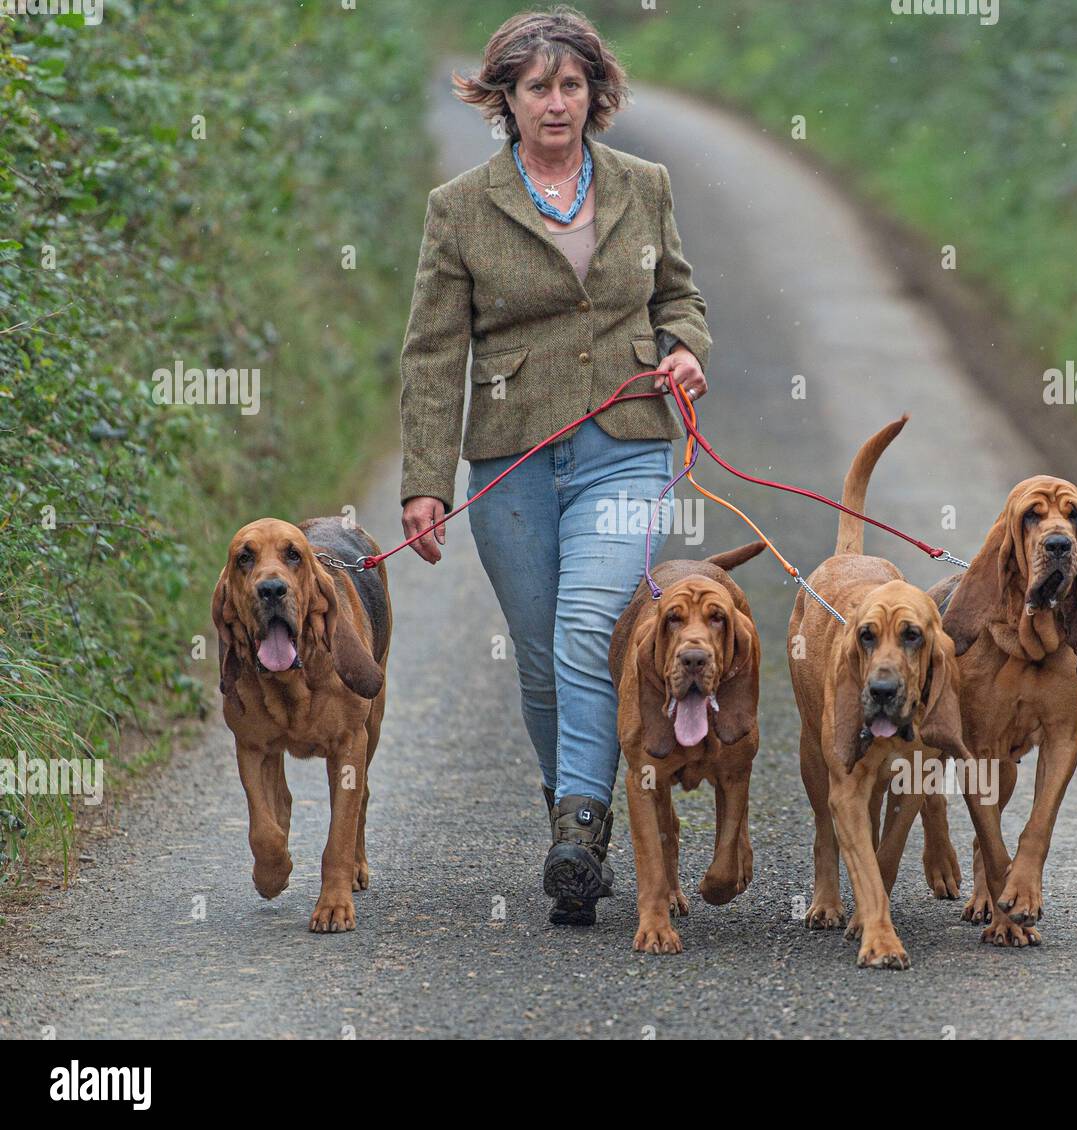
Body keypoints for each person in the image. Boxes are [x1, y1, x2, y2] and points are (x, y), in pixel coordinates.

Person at [398, 5, 712, 926]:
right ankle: (574, 820)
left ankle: (579, 825)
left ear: (595, 93)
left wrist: (685, 347)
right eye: (538, 87)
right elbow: (430, 351)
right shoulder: (458, 209)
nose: (557, 103)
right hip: (511, 460)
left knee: (586, 626)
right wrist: (425, 480)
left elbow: (678, 295)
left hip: (626, 444)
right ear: (505, 98)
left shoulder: (643, 184)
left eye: (572, 85)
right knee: (541, 658)